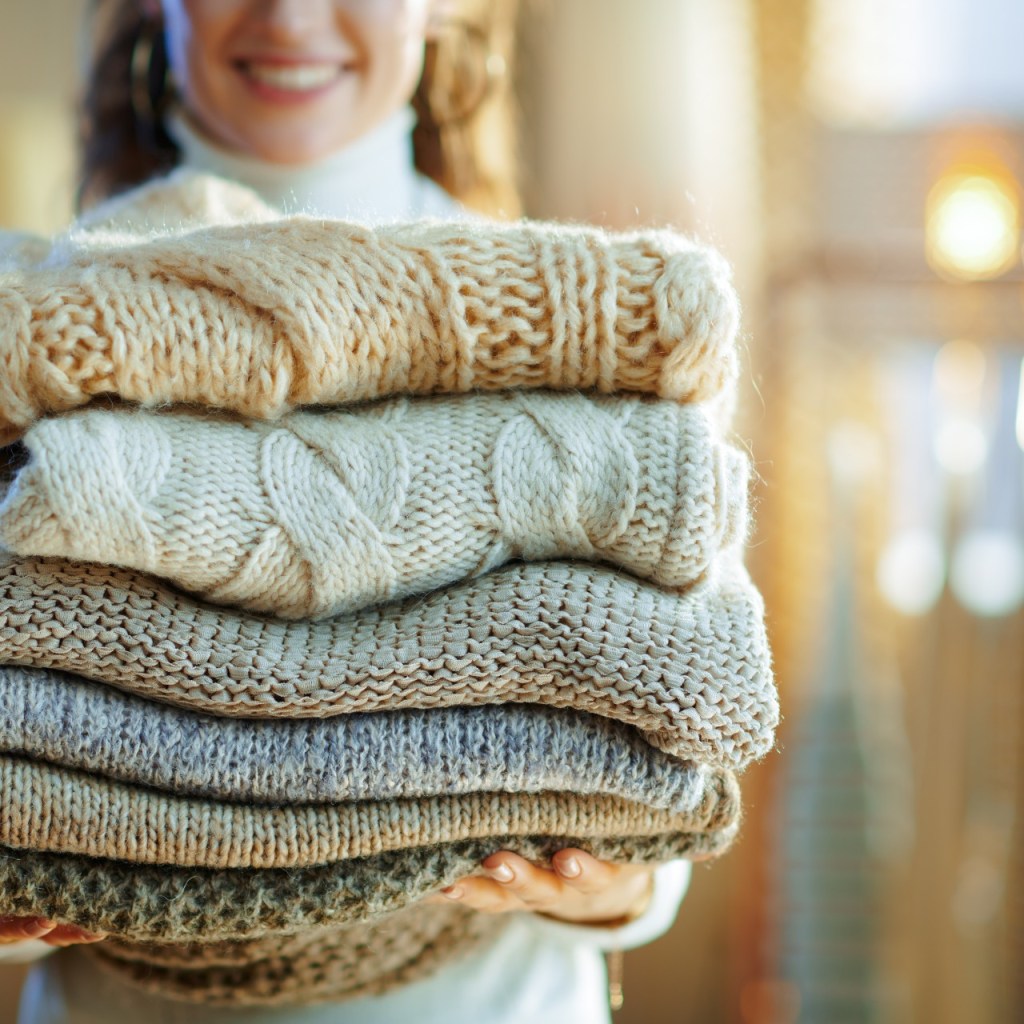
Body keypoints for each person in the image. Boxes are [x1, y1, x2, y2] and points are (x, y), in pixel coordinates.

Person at [0, 2, 694, 1021]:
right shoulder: (31, 332)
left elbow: (672, 723)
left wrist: (620, 884)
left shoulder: (580, 330)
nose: (290, 15)